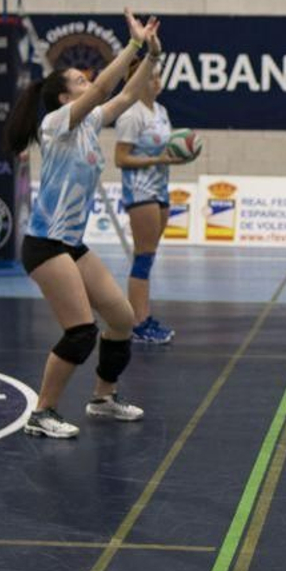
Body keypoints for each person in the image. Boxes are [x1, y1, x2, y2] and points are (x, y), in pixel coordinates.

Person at [8, 9, 159, 439]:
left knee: (122, 319)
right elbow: (104, 89)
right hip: (45, 244)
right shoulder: (56, 124)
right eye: (77, 80)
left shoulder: (90, 123)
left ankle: (103, 398)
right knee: (80, 332)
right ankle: (42, 413)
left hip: (72, 243)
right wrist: (132, 45)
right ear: (63, 97)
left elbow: (126, 97)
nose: (86, 80)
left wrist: (151, 55)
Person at [112, 31, 191, 345]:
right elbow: (120, 158)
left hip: (160, 189)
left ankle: (143, 316)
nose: (158, 81)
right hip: (140, 191)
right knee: (143, 257)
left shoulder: (161, 111)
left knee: (149, 256)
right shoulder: (131, 115)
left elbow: (164, 149)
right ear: (140, 79)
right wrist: (158, 159)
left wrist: (177, 155)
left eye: (158, 76)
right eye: (153, 76)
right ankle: (137, 322)